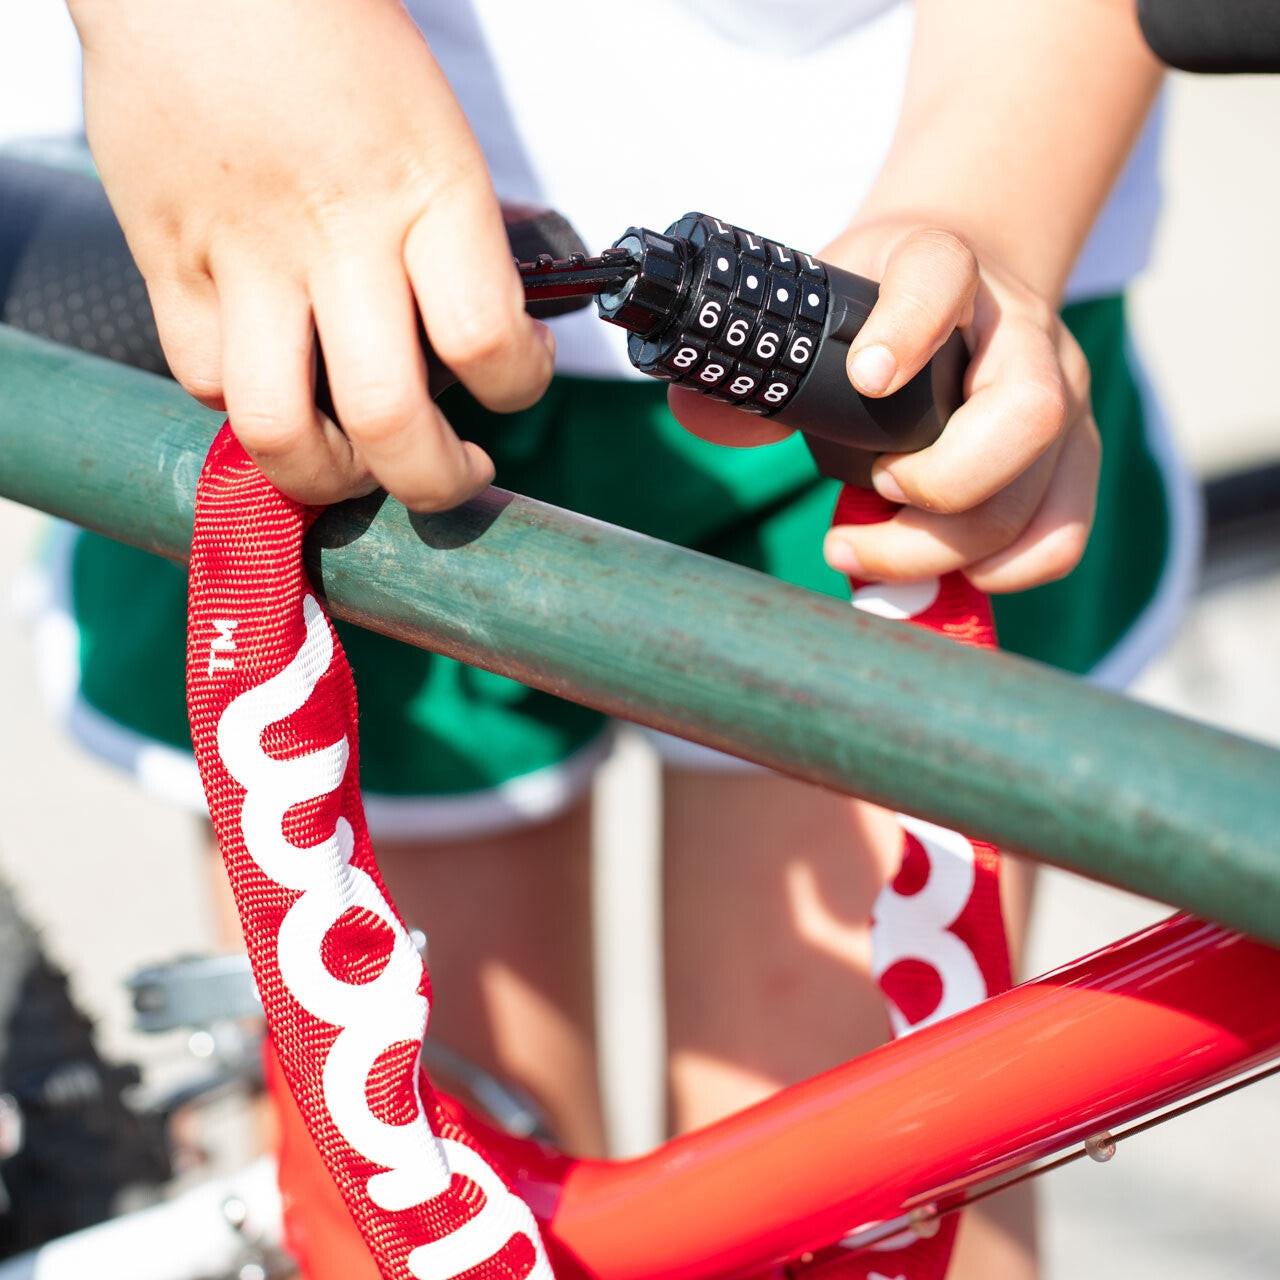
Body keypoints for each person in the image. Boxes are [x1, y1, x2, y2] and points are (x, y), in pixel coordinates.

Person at [38, 1, 1186, 1275]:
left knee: (862, 1191)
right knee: (403, 1194)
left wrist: (989, 204)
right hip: (300, 234)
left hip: (887, 273)